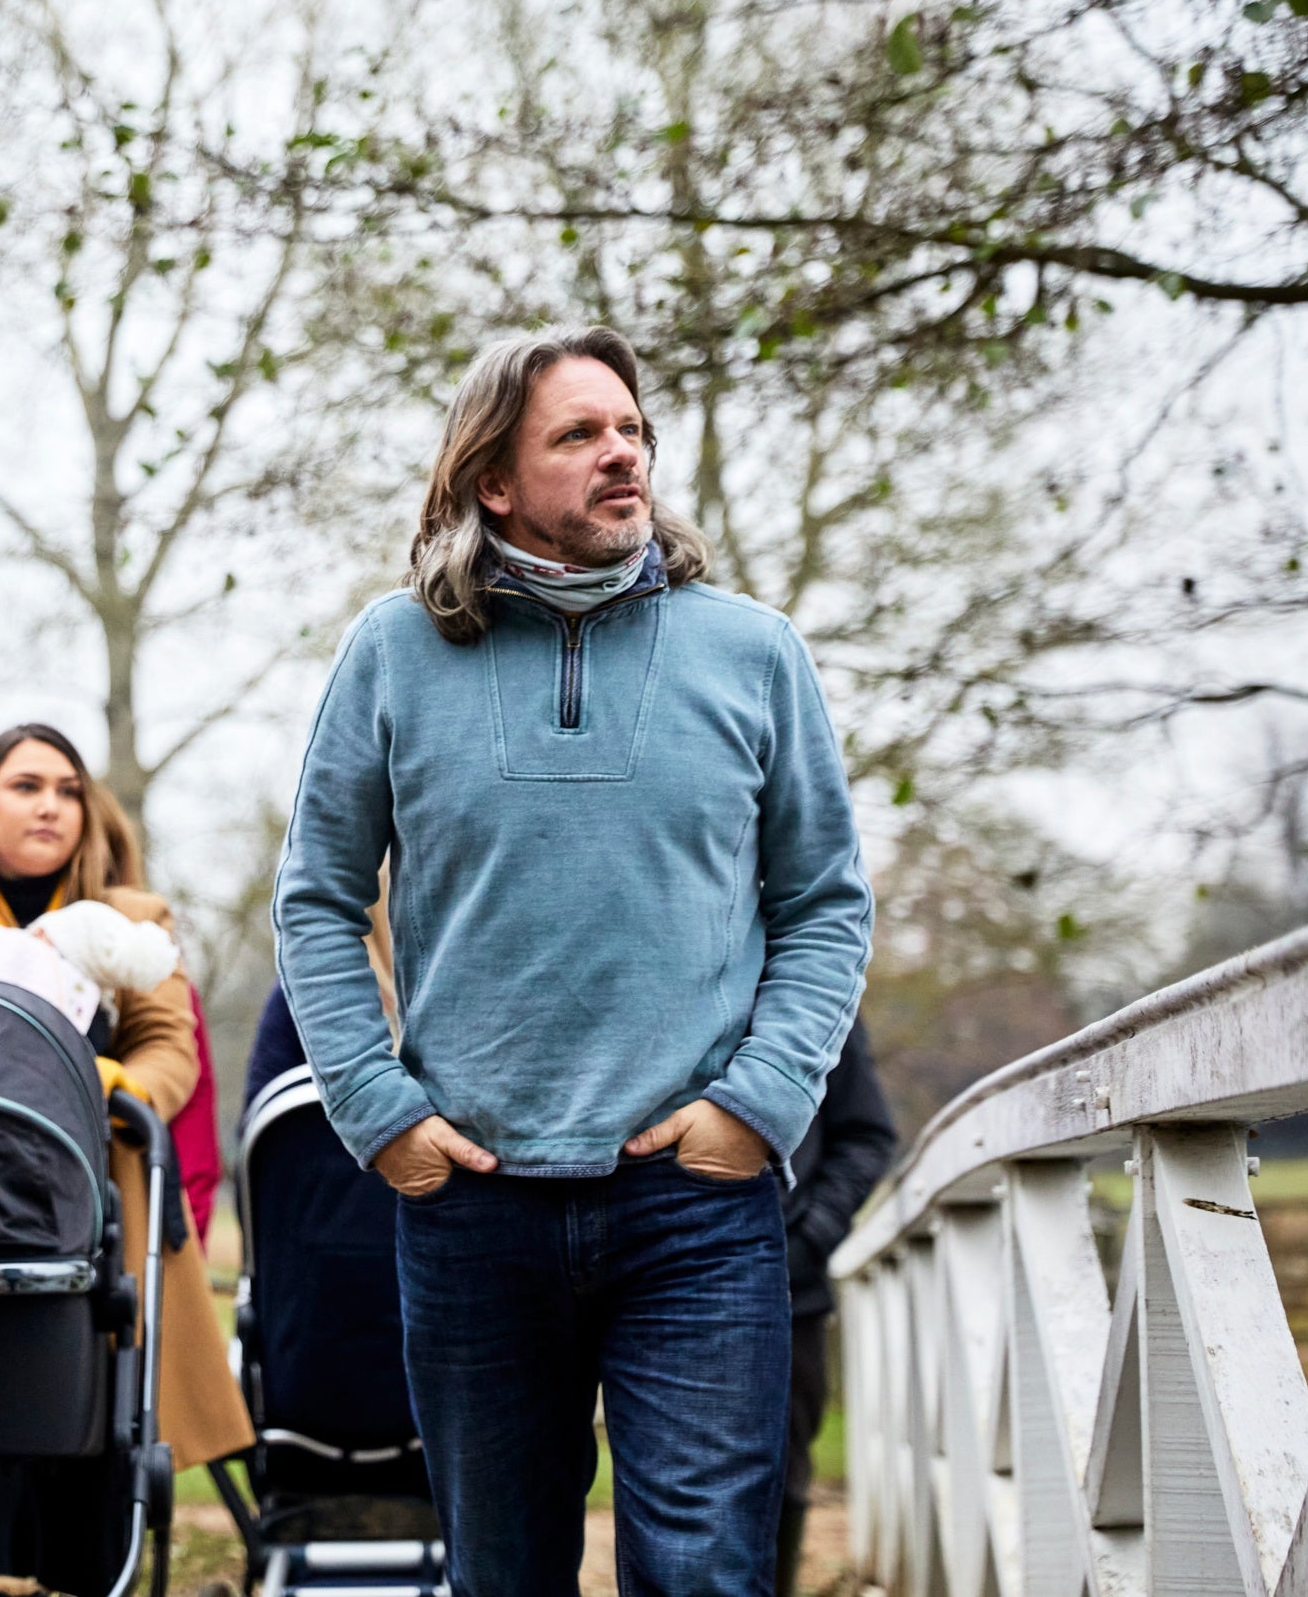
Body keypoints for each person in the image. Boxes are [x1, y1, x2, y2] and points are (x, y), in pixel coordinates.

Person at [274, 325, 871, 1595]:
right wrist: (379, 1115)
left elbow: (825, 904)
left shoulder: (756, 654)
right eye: (580, 435)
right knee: (501, 1577)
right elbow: (318, 901)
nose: (623, 457)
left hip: (695, 1208)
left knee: (705, 1575)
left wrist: (759, 1106)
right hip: (471, 1205)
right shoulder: (392, 651)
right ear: (495, 479)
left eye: (633, 432)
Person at [0, 722, 255, 1594]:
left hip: (100, 1218)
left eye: (68, 789)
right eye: (26, 786)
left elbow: (170, 1051)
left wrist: (99, 1080)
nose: (50, 805)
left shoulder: (132, 925)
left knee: (95, 1462)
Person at [775, 1018, 896, 1597]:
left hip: (788, 1289)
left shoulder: (817, 985)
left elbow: (867, 1137)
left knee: (776, 1478)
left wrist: (808, 1239)